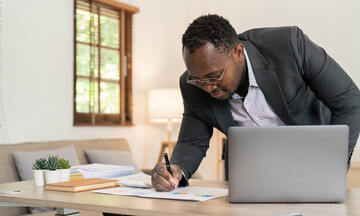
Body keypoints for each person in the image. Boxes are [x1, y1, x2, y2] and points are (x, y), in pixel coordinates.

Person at [151, 14, 360, 192]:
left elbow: (349, 101)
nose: (207, 87)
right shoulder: (190, 86)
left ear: (238, 53)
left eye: (214, 76)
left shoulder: (290, 45)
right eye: (199, 80)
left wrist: (333, 165)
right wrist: (176, 170)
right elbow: (191, 142)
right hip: (251, 179)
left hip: (313, 164)